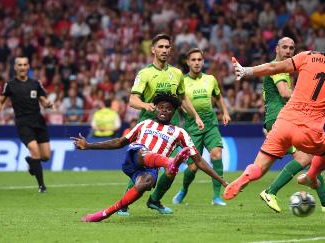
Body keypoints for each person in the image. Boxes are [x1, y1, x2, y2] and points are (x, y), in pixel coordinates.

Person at [224, 30, 325, 200]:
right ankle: (311, 176)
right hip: (308, 130)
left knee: (260, 166)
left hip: (283, 122)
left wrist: (246, 71)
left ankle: (246, 176)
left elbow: (274, 67)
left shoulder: (307, 56)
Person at [72, 93, 228, 222]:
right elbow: (120, 142)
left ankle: (104, 213)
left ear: (173, 112)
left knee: (145, 184)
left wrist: (221, 180)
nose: (163, 111)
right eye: (160, 107)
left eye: (168, 109)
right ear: (156, 109)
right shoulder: (145, 124)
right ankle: (170, 162)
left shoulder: (180, 133)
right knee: (147, 154)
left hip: (151, 169)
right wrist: (89, 145)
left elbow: (198, 160)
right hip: (135, 156)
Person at [259, 37, 325, 213]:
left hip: (282, 118)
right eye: (284, 47)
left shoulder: (282, 67)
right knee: (305, 159)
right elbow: (285, 93)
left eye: (291, 48)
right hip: (283, 119)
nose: (288, 51)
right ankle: (270, 191)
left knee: (311, 159)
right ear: (276, 49)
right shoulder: (279, 69)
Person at [120, 34, 205, 215]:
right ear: (153, 50)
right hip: (148, 123)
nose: (164, 50)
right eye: (161, 47)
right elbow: (132, 100)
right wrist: (146, 105)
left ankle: (155, 200)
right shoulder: (144, 74)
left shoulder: (176, 73)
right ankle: (125, 202)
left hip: (169, 126)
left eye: (167, 47)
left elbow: (182, 98)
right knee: (142, 164)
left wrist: (196, 116)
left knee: (168, 166)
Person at [172, 48, 231, 206]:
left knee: (216, 154)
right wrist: (186, 111)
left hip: (210, 124)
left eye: (199, 60)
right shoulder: (182, 81)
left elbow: (218, 97)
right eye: (193, 60)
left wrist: (225, 112)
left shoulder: (211, 79)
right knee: (192, 167)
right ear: (188, 62)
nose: (197, 63)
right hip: (193, 127)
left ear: (203, 62)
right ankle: (184, 189)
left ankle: (217, 196)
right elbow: (179, 102)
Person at [0, 57, 55, 193]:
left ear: (28, 67)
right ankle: (42, 186)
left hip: (39, 122)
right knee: (34, 150)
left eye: (25, 64)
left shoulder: (35, 83)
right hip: (23, 123)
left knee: (45, 157)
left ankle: (32, 162)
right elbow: (0, 101)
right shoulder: (10, 85)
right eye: (19, 65)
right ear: (15, 67)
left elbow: (43, 100)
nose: (22, 67)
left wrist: (48, 104)